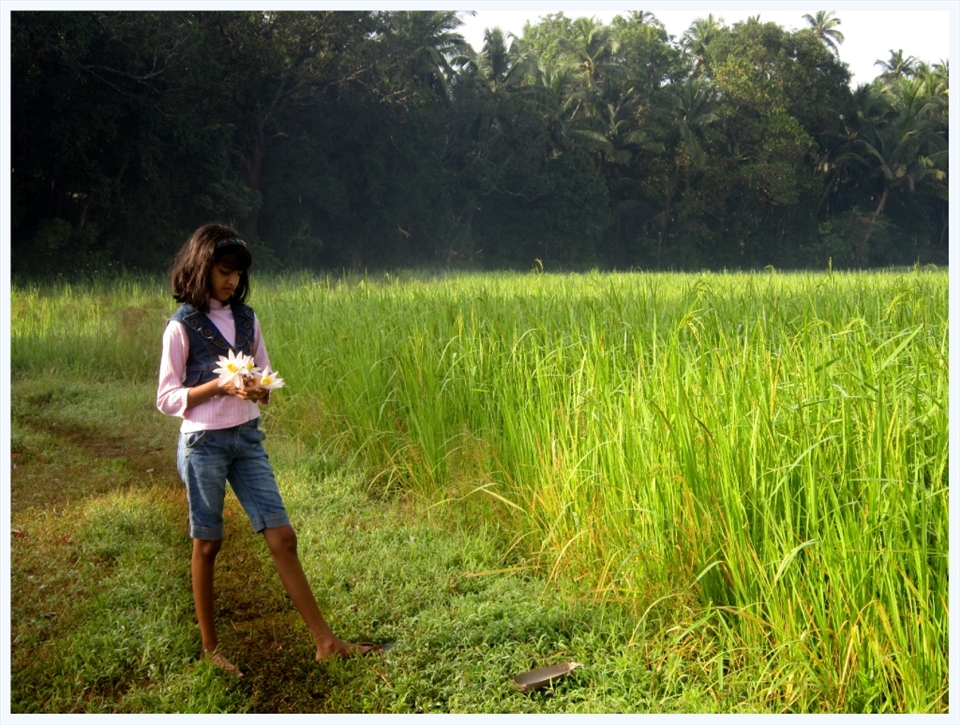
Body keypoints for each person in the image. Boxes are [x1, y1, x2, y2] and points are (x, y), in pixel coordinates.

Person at [157, 223, 380, 677]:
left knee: (283, 537)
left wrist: (259, 390)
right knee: (208, 543)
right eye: (223, 272)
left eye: (237, 274)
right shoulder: (180, 327)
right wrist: (217, 385)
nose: (231, 282)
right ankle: (210, 650)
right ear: (201, 269)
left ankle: (325, 641)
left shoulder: (247, 318)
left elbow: (265, 374)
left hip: (247, 439)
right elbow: (166, 398)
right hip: (202, 443)